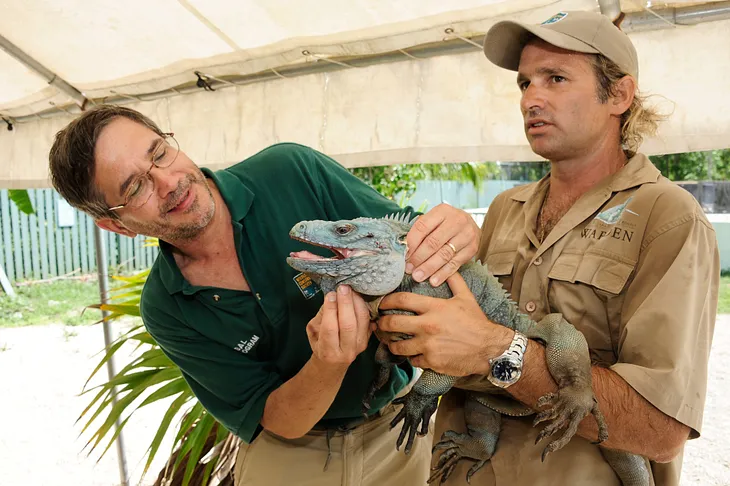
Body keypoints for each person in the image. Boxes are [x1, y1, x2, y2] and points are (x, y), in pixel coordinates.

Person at [46, 104, 480, 485]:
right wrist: (328, 363)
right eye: (135, 188)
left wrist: (455, 235)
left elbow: (411, 243)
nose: (169, 181)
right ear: (116, 225)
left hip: (397, 430)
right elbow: (276, 418)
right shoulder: (165, 306)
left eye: (159, 152)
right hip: (291, 454)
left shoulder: (290, 169)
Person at [377, 10, 719, 486]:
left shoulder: (669, 217)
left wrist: (499, 351)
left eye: (555, 78)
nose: (530, 100)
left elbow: (661, 430)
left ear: (618, 94)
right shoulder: (502, 208)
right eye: (524, 84)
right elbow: (448, 347)